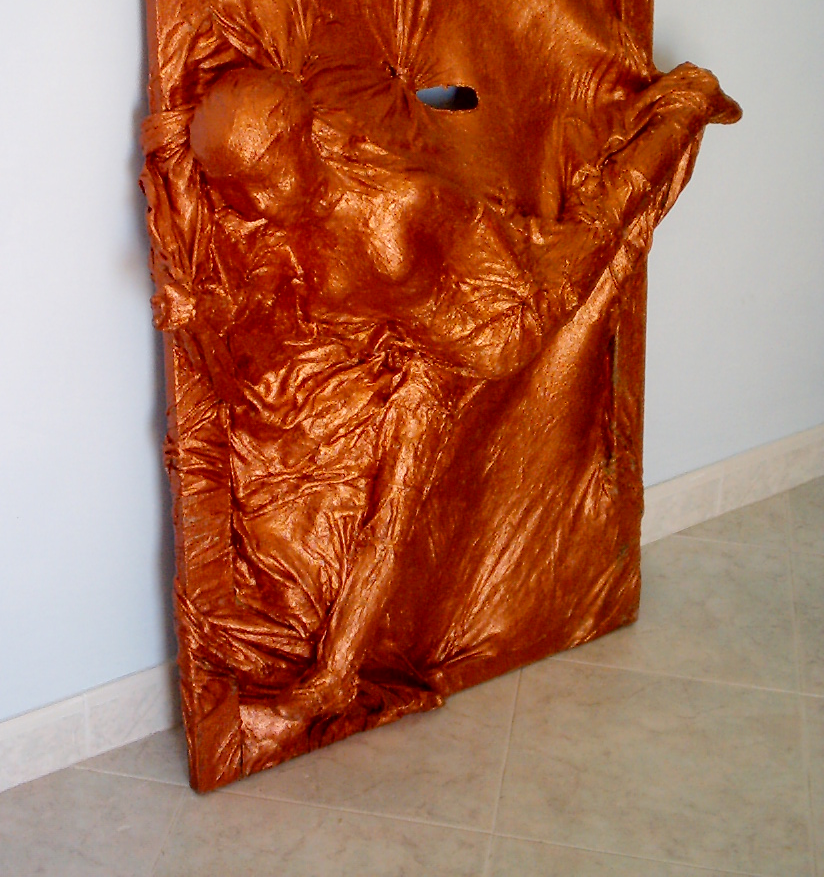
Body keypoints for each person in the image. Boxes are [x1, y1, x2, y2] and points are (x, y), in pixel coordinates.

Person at [164, 59, 740, 720]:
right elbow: (265, 308)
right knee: (389, 517)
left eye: (259, 182)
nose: (256, 205)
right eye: (238, 192)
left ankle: (689, 104)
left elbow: (491, 245)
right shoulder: (297, 225)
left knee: (603, 214)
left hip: (504, 324)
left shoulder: (402, 206)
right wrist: (198, 311)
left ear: (296, 143)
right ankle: (333, 677)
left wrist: (537, 279)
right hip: (423, 356)